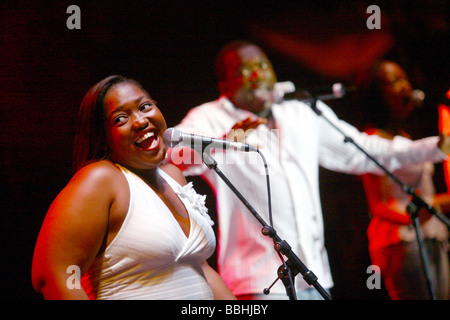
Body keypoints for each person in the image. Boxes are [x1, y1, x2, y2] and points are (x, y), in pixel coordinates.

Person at [166, 40, 450, 300]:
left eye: (263, 66)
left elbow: (364, 150)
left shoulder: (300, 111)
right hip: (258, 283)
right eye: (244, 70)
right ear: (224, 83)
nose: (257, 75)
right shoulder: (209, 117)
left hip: (314, 275)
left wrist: (435, 147)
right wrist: (224, 143)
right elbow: (172, 157)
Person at [31, 75, 235, 300]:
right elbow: (55, 274)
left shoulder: (174, 176)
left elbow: (200, 267)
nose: (140, 121)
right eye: (120, 118)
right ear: (104, 138)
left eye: (145, 106)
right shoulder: (102, 179)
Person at [359, 61, 449, 300]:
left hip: (429, 234)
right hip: (401, 242)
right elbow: (377, 206)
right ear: (377, 95)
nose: (404, 86)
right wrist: (412, 219)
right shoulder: (372, 140)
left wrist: (437, 205)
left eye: (404, 78)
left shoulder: (404, 136)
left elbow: (424, 199)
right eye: (393, 82)